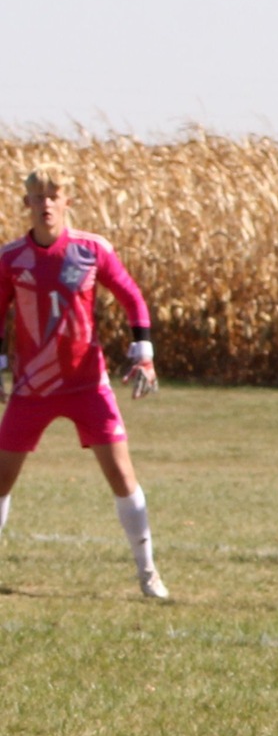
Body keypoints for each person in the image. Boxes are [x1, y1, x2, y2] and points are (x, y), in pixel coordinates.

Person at [0, 169, 166, 599]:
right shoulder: (10, 258)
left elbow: (130, 295)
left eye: (53, 195)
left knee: (121, 474)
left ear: (67, 200)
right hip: (32, 388)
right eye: (37, 196)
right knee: (1, 478)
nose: (46, 203)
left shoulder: (91, 249)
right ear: (27, 203)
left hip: (87, 385)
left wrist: (143, 351)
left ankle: (148, 575)